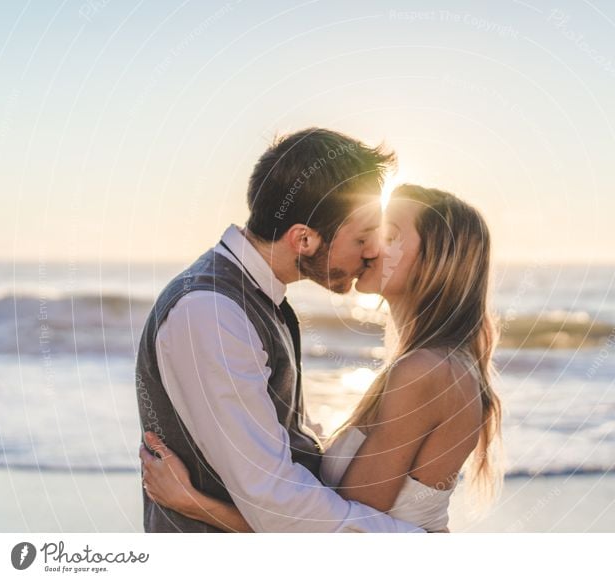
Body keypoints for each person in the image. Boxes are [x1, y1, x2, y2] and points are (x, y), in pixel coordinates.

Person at [140, 183, 504, 532]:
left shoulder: (426, 372)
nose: (371, 250)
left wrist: (196, 504)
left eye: (390, 237)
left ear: (436, 262)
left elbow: (335, 542)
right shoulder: (442, 366)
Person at [136, 128, 423, 532]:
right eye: (361, 238)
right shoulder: (211, 313)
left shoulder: (256, 299)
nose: (373, 251)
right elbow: (273, 497)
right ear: (303, 239)